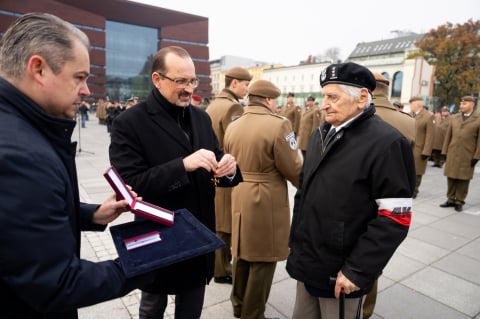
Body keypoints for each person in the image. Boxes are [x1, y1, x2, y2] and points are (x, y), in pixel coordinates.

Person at [0, 12, 162, 319]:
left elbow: (27, 224)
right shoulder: (21, 156)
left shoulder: (23, 128)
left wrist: (93, 214)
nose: (87, 90)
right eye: (80, 77)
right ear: (39, 69)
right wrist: (142, 263)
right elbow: (57, 282)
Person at [109, 45, 242, 319]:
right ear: (157, 79)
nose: (189, 88)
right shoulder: (129, 122)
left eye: (192, 80)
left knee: (191, 310)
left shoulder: (201, 118)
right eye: (180, 81)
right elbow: (131, 187)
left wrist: (228, 169)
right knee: (152, 308)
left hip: (199, 236)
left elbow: (217, 165)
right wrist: (183, 165)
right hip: (159, 237)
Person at [286, 62, 415, 319]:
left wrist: (357, 269)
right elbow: (304, 194)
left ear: (362, 97)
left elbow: (395, 217)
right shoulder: (320, 134)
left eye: (333, 97)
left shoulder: (387, 142)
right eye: (324, 96)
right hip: (309, 262)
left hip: (342, 272)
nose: (324, 104)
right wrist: (295, 243)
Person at [224, 79, 302, 319]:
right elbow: (294, 168)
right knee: (263, 258)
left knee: (242, 252)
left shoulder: (234, 124)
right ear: (269, 100)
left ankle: (238, 305)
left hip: (238, 192)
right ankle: (253, 313)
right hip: (264, 197)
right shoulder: (278, 124)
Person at [362, 72, 416, 319]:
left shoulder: (354, 114)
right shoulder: (406, 121)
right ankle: (366, 310)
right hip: (389, 198)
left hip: (353, 198)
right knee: (372, 258)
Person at [206, 66, 252, 285]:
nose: (247, 89)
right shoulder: (234, 107)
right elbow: (237, 142)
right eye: (245, 84)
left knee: (217, 218)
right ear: (234, 84)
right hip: (226, 169)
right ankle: (221, 269)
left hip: (211, 169)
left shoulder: (214, 104)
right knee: (225, 223)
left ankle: (217, 266)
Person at [440, 96, 480, 212]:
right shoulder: (454, 118)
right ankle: (450, 199)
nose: (461, 106)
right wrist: (444, 151)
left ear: (472, 105)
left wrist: (477, 156)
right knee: (451, 177)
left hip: (467, 154)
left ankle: (459, 201)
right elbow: (448, 136)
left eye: (465, 104)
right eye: (461, 104)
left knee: (463, 179)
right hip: (453, 152)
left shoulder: (478, 119)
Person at [409, 96, 435, 198]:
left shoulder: (428, 116)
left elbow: (430, 135)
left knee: (417, 171)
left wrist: (426, 151)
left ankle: (415, 190)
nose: (410, 106)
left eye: (412, 104)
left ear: (418, 105)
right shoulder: (410, 115)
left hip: (419, 149)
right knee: (408, 169)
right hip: (409, 147)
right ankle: (408, 188)